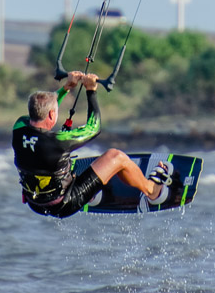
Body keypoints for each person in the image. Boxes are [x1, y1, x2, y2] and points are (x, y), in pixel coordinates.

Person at [12, 71, 172, 218]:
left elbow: (42, 109)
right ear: (52, 114)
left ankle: (92, 194)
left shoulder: (19, 127)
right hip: (64, 204)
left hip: (35, 204)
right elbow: (93, 128)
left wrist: (66, 87)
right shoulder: (58, 141)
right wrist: (91, 90)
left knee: (59, 163)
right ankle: (153, 191)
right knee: (116, 156)